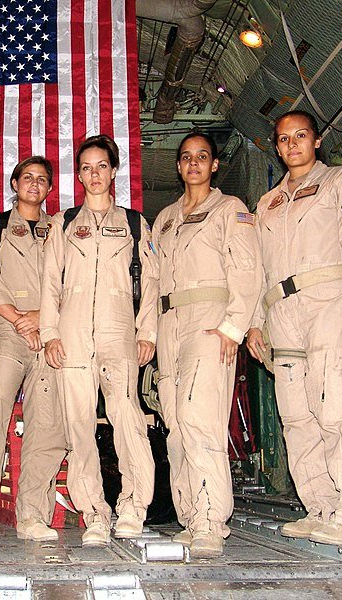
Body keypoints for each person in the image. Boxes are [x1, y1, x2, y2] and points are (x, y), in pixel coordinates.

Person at [245, 110, 342, 545]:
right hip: (282, 313)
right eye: (284, 139)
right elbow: (257, 269)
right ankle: (321, 506)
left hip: (328, 302)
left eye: (300, 136)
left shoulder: (340, 181)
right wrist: (255, 323)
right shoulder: (268, 203)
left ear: (316, 141)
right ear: (276, 147)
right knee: (296, 416)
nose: (292, 145)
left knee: (336, 407)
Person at [41, 134, 157, 547]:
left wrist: (147, 332)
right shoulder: (64, 223)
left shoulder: (135, 223)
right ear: (79, 174)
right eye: (87, 168)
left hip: (118, 332)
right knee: (79, 428)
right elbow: (49, 282)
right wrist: (50, 333)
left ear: (114, 171)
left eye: (102, 166)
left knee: (128, 420)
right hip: (72, 335)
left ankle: (133, 507)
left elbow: (152, 281)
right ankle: (93, 512)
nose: (94, 174)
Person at [152, 131, 262, 558]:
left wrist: (233, 328)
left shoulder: (229, 209)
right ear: (178, 166)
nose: (193, 163)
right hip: (169, 324)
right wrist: (149, 334)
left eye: (202, 157)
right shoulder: (165, 219)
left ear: (214, 165)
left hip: (208, 322)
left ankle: (212, 520)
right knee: (176, 424)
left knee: (200, 420)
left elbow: (247, 270)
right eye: (186, 157)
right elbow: (154, 281)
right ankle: (191, 515)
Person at [0, 156, 68, 541]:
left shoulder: (61, 229)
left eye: (42, 179)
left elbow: (72, 279)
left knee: (47, 424)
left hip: (49, 331)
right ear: (15, 184)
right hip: (7, 328)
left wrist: (40, 318)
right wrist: (18, 318)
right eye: (27, 177)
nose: (34, 184)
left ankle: (33, 514)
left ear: (49, 188)